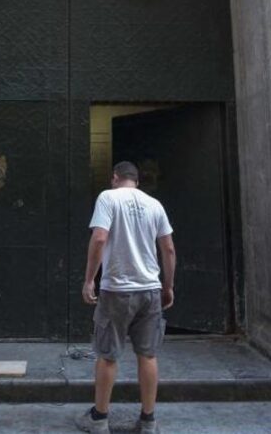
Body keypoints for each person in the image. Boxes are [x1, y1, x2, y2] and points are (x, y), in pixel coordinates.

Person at [76, 161, 176, 434]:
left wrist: (89, 280)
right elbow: (167, 248)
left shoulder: (108, 198)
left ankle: (99, 419)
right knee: (148, 355)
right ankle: (148, 421)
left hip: (117, 291)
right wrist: (168, 286)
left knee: (108, 355)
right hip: (149, 290)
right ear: (137, 181)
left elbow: (98, 239)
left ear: (115, 178)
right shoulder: (154, 204)